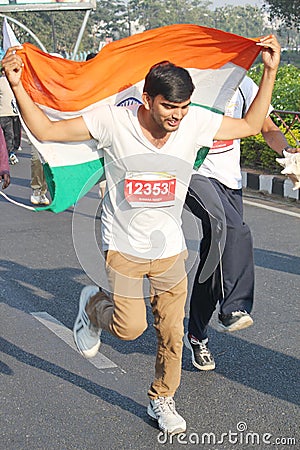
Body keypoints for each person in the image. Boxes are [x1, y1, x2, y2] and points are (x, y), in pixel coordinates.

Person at [2, 35, 280, 435]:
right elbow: (45, 130)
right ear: (147, 98)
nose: (177, 116)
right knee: (130, 328)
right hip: (123, 246)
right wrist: (16, 84)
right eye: (169, 106)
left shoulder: (195, 121)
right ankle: (95, 307)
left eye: (183, 107)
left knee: (171, 331)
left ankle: (161, 397)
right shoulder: (112, 121)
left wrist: (269, 69)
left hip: (170, 249)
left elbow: (252, 124)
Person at [184, 76, 300, 371]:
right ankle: (233, 307)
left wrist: (288, 154)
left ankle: (197, 334)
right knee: (231, 227)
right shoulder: (192, 78)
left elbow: (268, 127)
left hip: (229, 181)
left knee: (216, 257)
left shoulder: (243, 83)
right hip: (194, 173)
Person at [0, 68, 19, 164]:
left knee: (13, 135)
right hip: (3, 113)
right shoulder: (1, 81)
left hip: (14, 113)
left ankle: (11, 153)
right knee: (7, 135)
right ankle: (8, 154)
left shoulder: (16, 80)